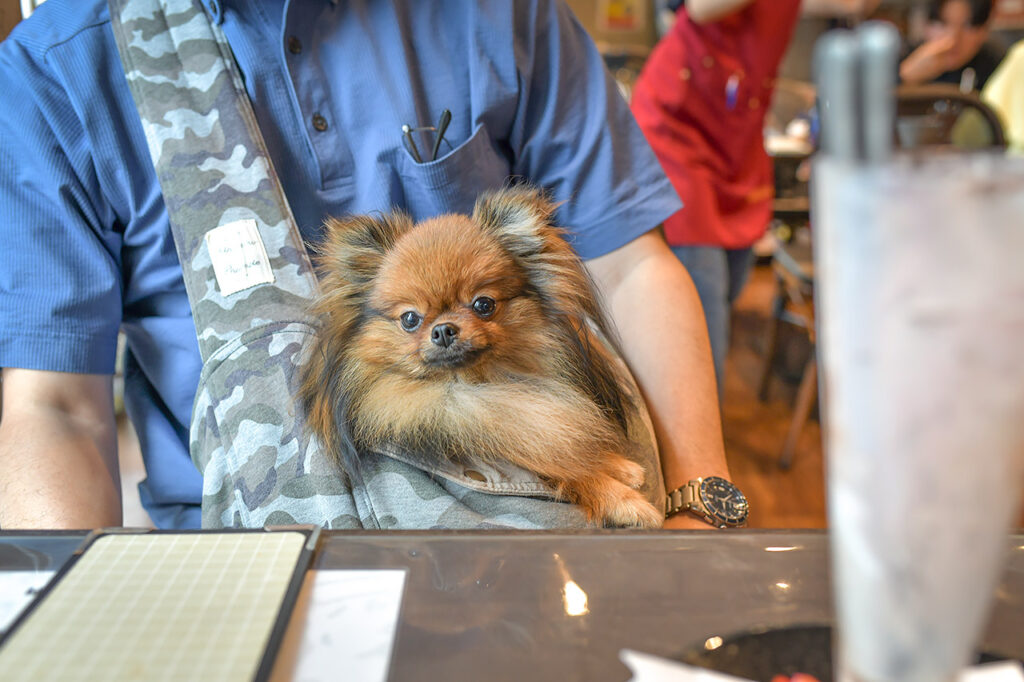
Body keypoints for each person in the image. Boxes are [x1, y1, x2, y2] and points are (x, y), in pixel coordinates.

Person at [0, 0, 730, 530]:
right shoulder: (57, 69)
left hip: (536, 505)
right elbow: (52, 406)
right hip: (239, 536)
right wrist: (71, 624)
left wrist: (702, 507)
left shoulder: (503, 12)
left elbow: (630, 265)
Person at [630, 0, 878, 391]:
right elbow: (700, 7)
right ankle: (698, 445)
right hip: (678, 131)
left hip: (737, 136)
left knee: (730, 286)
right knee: (701, 317)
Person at [899, 0, 1005, 92]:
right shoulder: (900, 57)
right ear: (925, 26)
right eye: (943, 24)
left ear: (984, 30)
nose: (954, 39)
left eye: (967, 25)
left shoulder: (999, 67)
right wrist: (904, 78)